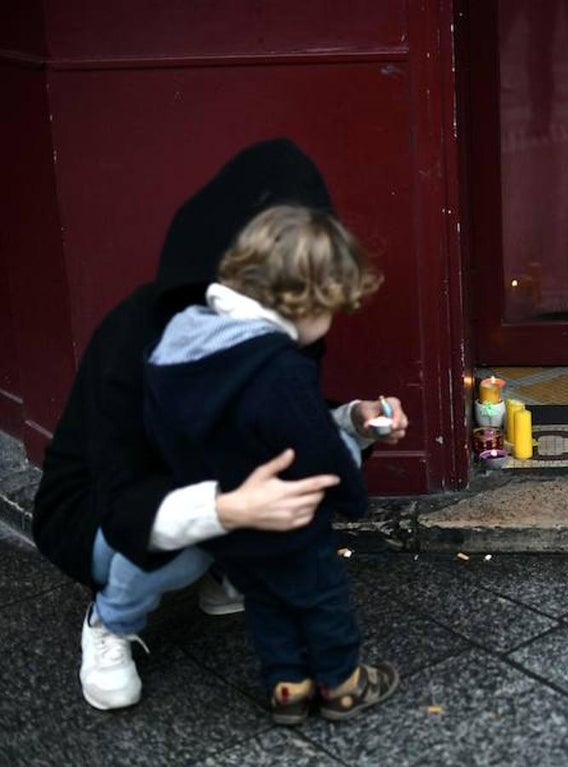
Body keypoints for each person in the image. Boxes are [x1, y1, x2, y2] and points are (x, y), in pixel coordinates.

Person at [31, 138, 407, 712]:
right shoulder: (143, 331)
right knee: (204, 552)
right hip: (101, 508)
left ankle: (228, 570)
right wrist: (231, 512)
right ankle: (110, 616)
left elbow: (280, 420)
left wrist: (355, 421)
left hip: (208, 480)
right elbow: (123, 487)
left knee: (261, 565)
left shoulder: (265, 320)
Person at [144, 204, 399, 725]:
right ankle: (342, 682)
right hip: (289, 517)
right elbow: (316, 449)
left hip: (226, 518)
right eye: (331, 309)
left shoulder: (184, 338)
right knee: (321, 598)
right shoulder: (278, 369)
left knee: (264, 602)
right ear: (305, 299)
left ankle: (287, 685)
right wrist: (353, 497)